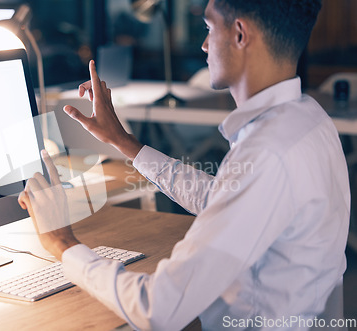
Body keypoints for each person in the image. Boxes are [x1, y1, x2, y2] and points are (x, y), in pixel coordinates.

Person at [19, 0, 350, 329]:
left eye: (208, 28)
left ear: (239, 34)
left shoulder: (267, 151)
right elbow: (224, 199)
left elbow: (158, 308)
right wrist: (124, 142)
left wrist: (63, 243)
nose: (204, 45)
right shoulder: (308, 118)